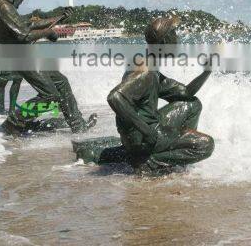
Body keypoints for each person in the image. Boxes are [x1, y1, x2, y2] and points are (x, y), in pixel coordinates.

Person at [73, 17, 214, 174]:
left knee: (192, 104)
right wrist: (147, 131)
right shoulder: (145, 70)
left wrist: (207, 72)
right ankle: (150, 161)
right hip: (142, 137)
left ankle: (168, 153)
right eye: (174, 35)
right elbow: (115, 97)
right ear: (165, 41)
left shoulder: (152, 68)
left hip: (147, 131)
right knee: (205, 144)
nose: (177, 40)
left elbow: (185, 93)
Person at [0, 0, 97, 135]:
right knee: (50, 95)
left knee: (61, 82)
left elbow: (27, 23)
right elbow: (23, 35)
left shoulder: (2, 3)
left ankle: (78, 125)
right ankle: (14, 121)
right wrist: (48, 32)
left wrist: (59, 17)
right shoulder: (2, 6)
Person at [0, 0, 24, 115]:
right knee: (2, 81)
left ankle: (11, 109)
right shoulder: (5, 13)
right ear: (13, 1)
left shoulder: (14, 15)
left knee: (17, 80)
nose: (17, 7)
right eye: (17, 4)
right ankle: (2, 109)